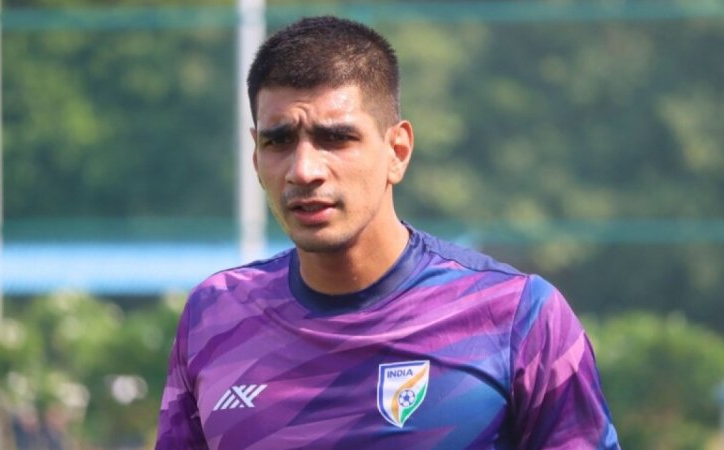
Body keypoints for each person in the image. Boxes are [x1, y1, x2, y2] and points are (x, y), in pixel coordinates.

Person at [155, 15, 620, 449]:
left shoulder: (517, 316)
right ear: (256, 160)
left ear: (397, 151)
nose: (304, 169)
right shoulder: (213, 316)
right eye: (278, 141)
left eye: (336, 138)